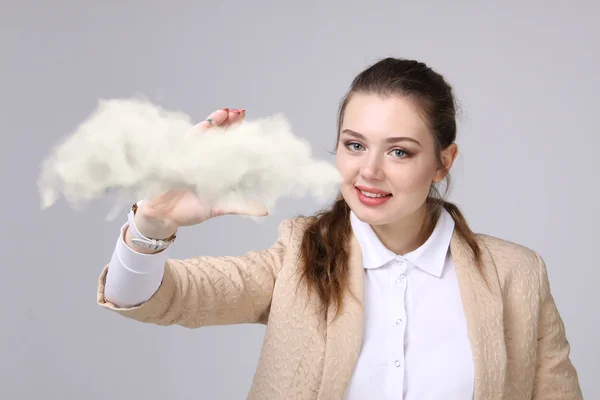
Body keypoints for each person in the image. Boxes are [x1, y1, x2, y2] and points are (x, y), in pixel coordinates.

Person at [96, 57, 582, 399]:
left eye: (399, 151)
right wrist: (152, 223)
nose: (369, 171)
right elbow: (155, 297)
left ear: (442, 162)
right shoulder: (298, 254)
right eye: (354, 145)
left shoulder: (517, 275)